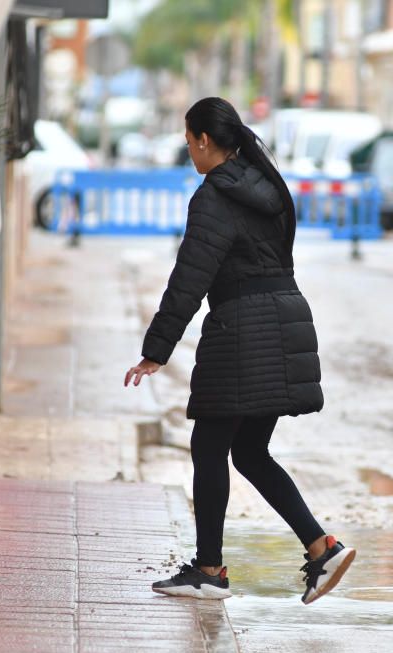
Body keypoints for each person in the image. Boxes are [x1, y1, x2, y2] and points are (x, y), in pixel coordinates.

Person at [124, 97, 355, 604]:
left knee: (210, 446)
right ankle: (321, 547)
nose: (189, 153)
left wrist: (156, 349)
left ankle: (209, 570)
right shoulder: (266, 183)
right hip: (286, 317)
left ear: (205, 141)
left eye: (189, 143)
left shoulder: (215, 197)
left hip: (242, 331)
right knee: (248, 450)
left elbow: (190, 276)